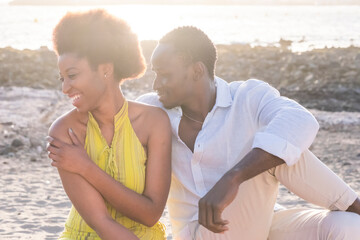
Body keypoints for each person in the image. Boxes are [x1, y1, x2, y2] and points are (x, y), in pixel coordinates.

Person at [136, 26, 360, 240]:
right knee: (272, 151)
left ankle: (354, 209)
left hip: (261, 221)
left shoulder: (247, 97)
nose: (156, 84)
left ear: (197, 71)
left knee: (348, 227)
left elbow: (301, 120)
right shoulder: (152, 111)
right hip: (202, 230)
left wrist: (233, 178)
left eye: (164, 75)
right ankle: (356, 204)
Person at [46, 9, 171, 240]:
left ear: (105, 69)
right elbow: (100, 222)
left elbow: (150, 214)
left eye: (72, 76)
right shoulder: (64, 133)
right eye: (61, 78)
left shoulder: (154, 122)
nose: (65, 88)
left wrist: (85, 166)